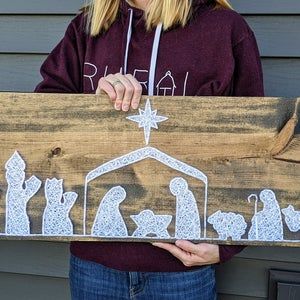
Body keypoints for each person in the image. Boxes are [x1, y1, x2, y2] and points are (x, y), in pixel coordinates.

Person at [35, 0, 264, 299]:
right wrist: (93, 101)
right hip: (94, 264)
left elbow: (256, 145)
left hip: (182, 269)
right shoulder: (88, 27)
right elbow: (43, 118)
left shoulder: (225, 29)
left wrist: (228, 245)